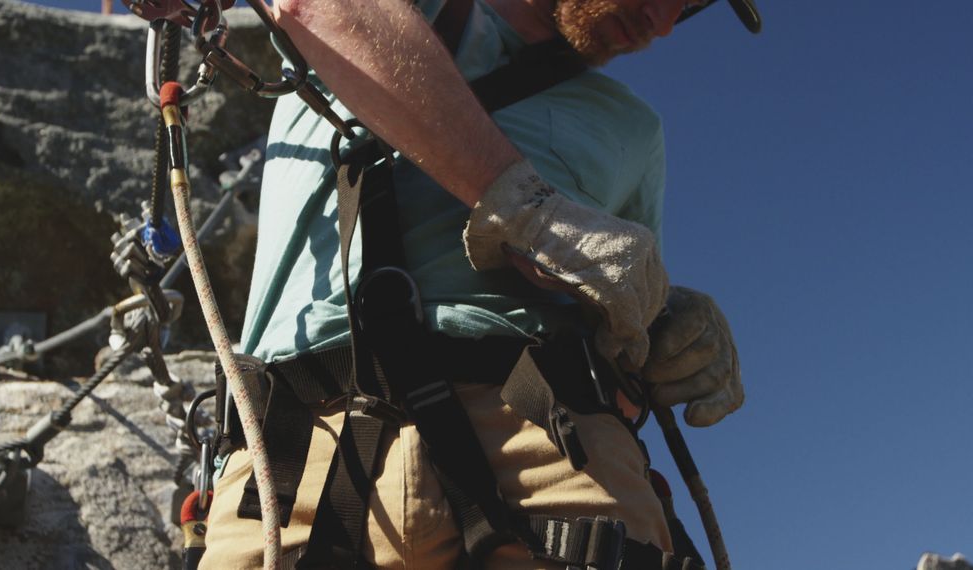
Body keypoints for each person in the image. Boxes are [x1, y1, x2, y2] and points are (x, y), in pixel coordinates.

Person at [201, 0, 759, 567]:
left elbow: (625, 322)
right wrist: (529, 209)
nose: (664, 24)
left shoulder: (635, 128)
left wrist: (669, 322)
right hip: (302, 446)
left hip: (556, 447)